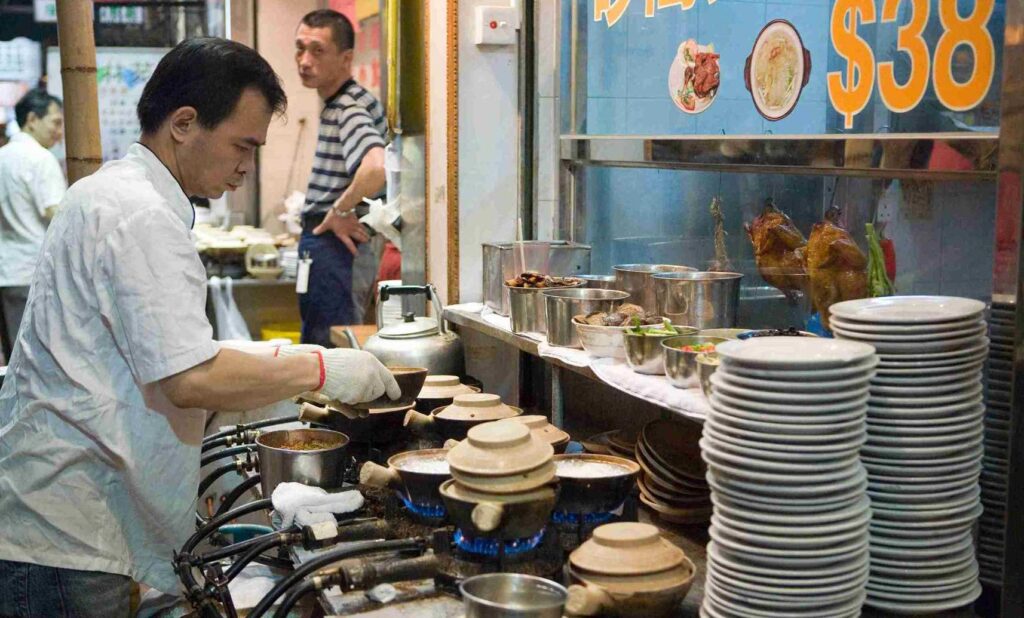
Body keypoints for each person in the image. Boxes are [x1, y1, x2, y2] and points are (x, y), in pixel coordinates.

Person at [0, 38, 398, 617]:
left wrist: (273, 358)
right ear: (184, 123)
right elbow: (187, 377)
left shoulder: (118, 196)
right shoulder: (139, 214)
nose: (247, 164)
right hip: (69, 537)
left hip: (68, 520)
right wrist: (320, 367)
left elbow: (158, 346)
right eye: (243, 145)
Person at [295, 9, 387, 345]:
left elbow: (376, 166)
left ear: (346, 58)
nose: (304, 60)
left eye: (317, 50)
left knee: (330, 350)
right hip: (327, 244)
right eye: (300, 48)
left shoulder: (347, 105)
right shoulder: (339, 101)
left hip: (335, 246)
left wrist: (341, 209)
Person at [0, 89, 66, 362]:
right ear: (31, 119)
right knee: (37, 362)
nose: (59, 132)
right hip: (32, 273)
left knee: (12, 358)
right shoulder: (40, 159)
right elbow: (57, 215)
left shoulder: (2, 156)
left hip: (6, 272)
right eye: (55, 122)